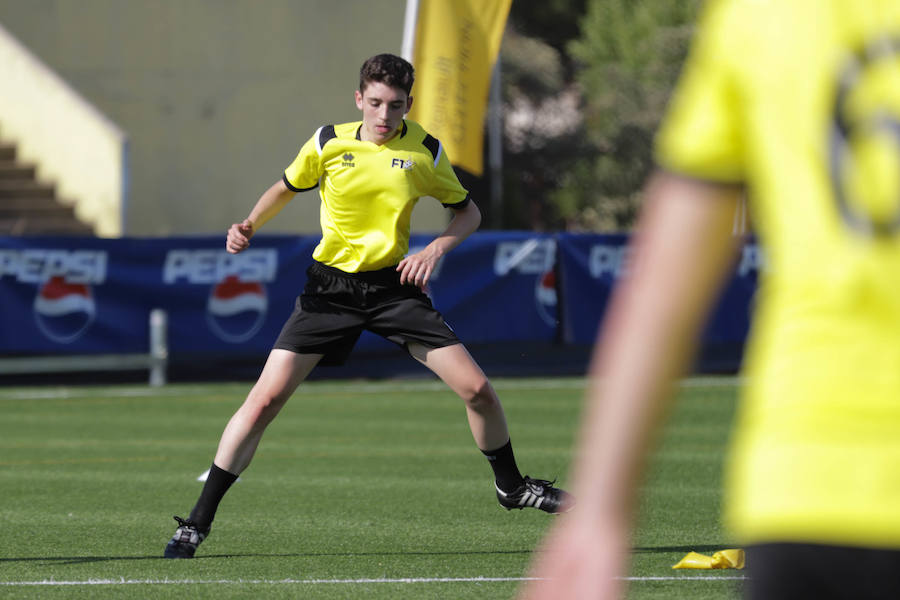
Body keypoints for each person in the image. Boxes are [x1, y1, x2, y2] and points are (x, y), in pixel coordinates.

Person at [520, 1, 900, 598]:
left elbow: (667, 279)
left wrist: (601, 514)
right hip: (814, 480)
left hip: (814, 481)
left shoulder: (765, 15)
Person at [164, 53, 573, 559]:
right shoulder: (328, 142)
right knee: (264, 402)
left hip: (392, 289)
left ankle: (511, 487)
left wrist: (434, 249)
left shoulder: (425, 150)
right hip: (329, 291)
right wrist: (249, 223)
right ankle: (196, 524)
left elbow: (468, 213)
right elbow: (286, 187)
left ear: (409, 104)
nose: (384, 116)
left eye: (396, 106)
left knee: (478, 391)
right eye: (375, 103)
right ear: (359, 99)